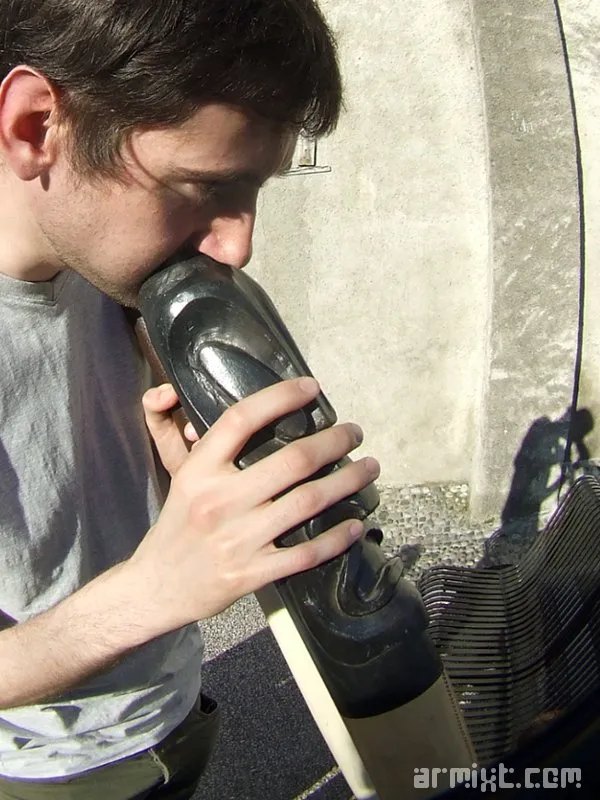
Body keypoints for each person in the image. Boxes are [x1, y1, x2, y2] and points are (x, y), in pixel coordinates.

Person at [0, 1, 380, 798]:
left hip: (178, 705)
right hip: (46, 772)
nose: (237, 245)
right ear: (36, 127)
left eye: (253, 190)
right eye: (204, 186)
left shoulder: (116, 270)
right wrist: (155, 592)